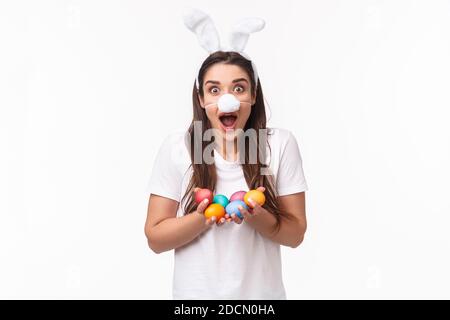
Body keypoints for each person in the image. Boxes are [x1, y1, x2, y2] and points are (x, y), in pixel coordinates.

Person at [144, 9, 308, 299]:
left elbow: (295, 234)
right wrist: (202, 218)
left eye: (239, 88)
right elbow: (155, 238)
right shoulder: (177, 148)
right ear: (201, 98)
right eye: (214, 89)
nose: (227, 98)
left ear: (253, 94)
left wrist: (256, 216)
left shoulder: (280, 144)